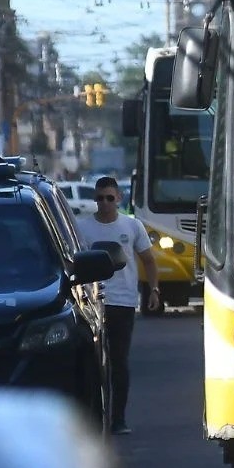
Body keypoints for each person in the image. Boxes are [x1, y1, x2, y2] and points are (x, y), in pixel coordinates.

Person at [76, 177, 159, 435]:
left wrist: (154, 290)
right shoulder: (82, 228)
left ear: (119, 199)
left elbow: (149, 260)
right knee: (92, 362)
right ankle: (92, 418)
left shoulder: (132, 226)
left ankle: (118, 418)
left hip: (122, 302)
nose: (104, 203)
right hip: (91, 302)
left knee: (118, 362)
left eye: (109, 198)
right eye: (100, 198)